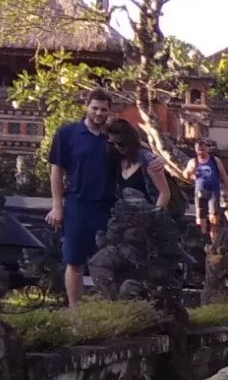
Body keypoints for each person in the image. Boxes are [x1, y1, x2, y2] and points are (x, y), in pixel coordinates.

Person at [48, 88, 118, 309]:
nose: (98, 113)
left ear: (109, 111)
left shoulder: (114, 137)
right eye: (94, 108)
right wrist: (57, 206)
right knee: (74, 260)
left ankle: (107, 310)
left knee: (110, 262)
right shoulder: (67, 133)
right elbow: (57, 170)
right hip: (78, 204)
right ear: (86, 107)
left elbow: (136, 153)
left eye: (103, 109)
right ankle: (75, 310)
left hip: (109, 206)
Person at [105, 119, 169, 208]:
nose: (116, 147)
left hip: (148, 215)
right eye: (112, 144)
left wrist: (154, 218)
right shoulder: (116, 159)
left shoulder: (148, 160)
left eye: (120, 144)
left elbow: (164, 193)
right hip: (126, 217)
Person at [189, 138, 228, 239]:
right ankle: (203, 237)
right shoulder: (193, 162)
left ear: (207, 149)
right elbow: (186, 174)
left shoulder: (215, 160)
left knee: (214, 216)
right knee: (200, 215)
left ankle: (213, 237)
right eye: (199, 149)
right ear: (196, 150)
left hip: (213, 190)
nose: (201, 152)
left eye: (203, 149)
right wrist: (190, 174)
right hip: (200, 191)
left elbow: (224, 175)